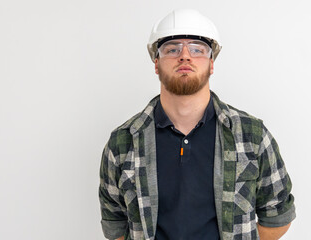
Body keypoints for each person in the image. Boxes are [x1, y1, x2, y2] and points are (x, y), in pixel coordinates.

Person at [98, 9, 295, 240]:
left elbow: (278, 215)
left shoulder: (252, 136)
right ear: (156, 64)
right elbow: (114, 223)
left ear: (211, 64)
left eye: (196, 49)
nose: (185, 56)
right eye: (172, 49)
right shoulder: (123, 141)